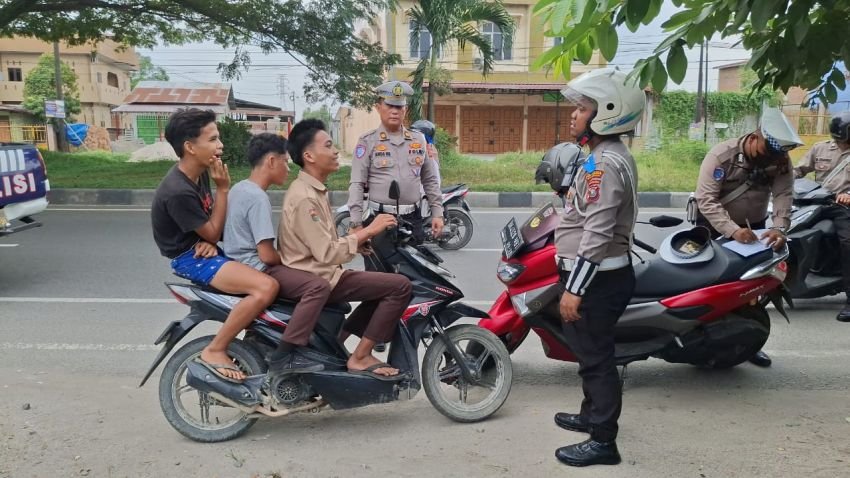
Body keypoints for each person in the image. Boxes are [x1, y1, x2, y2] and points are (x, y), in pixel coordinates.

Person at [553, 68, 644, 467]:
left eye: (583, 107)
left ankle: (604, 440)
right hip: (595, 275)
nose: (574, 114)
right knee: (587, 351)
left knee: (597, 358)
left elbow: (598, 231)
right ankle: (591, 415)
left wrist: (575, 288)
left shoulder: (605, 163)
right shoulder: (599, 157)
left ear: (606, 112)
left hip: (597, 279)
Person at [150, 108, 279, 383]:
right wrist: (223, 191)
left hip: (201, 246)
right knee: (266, 286)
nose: (220, 145)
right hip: (189, 258)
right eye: (213, 139)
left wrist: (206, 238)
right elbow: (210, 229)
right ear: (190, 147)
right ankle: (216, 349)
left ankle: (255, 346)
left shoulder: (199, 173)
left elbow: (208, 225)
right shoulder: (178, 191)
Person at [280, 118, 413, 379]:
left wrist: (356, 242)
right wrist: (369, 230)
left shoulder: (312, 189)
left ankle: (336, 346)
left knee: (381, 287)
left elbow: (322, 241)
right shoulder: (306, 196)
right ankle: (361, 356)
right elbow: (327, 253)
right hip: (319, 275)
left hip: (322, 270)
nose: (335, 151)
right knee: (400, 286)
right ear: (309, 156)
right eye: (328, 145)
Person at [695, 107, 803, 364]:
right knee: (707, 286)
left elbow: (783, 195)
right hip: (713, 228)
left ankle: (748, 342)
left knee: (751, 288)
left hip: (754, 230)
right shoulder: (722, 155)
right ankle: (698, 338)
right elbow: (706, 199)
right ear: (755, 138)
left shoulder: (778, 160)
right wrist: (732, 231)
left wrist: (778, 229)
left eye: (776, 155)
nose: (770, 159)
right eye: (767, 152)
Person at [221, 133, 326, 374]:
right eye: (285, 161)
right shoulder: (258, 198)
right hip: (255, 266)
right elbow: (267, 255)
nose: (288, 168)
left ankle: (260, 341)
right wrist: (289, 262)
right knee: (318, 286)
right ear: (270, 161)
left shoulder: (240, 188)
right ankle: (287, 354)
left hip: (236, 263)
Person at [348, 81, 443, 251]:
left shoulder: (418, 140)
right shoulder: (367, 141)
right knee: (379, 275)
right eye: (389, 105)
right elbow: (357, 184)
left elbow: (430, 180)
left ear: (405, 110)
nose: (394, 111)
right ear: (378, 107)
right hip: (379, 219)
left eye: (399, 107)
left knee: (412, 274)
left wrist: (437, 213)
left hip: (413, 219)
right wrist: (356, 223)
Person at [795, 111, 850, 321]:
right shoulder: (820, 148)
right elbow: (798, 170)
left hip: (842, 206)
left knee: (847, 242)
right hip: (814, 201)